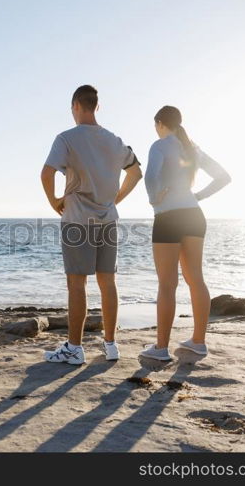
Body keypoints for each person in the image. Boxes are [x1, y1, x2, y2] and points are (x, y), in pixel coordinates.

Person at [40, 85, 143, 365]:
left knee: (77, 285)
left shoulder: (66, 138)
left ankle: (74, 348)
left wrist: (54, 202)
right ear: (96, 106)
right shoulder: (114, 140)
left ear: (75, 105)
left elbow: (46, 173)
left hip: (76, 219)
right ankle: (110, 345)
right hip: (108, 219)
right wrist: (114, 199)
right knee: (107, 281)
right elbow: (136, 172)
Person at [141, 105, 231, 361]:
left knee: (167, 285)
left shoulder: (159, 145)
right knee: (196, 280)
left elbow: (150, 178)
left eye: (155, 125)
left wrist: (154, 198)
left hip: (169, 217)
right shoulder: (193, 148)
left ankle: (160, 349)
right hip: (194, 216)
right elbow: (224, 177)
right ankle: (198, 342)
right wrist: (198, 196)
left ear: (160, 123)